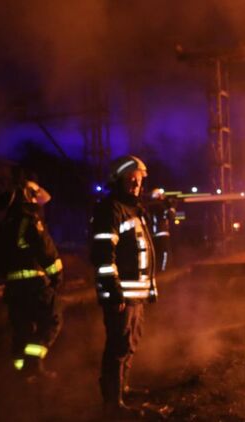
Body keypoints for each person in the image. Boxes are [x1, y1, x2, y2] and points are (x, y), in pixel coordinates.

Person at [91, 155, 158, 418]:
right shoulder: (111, 210)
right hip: (122, 295)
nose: (136, 185)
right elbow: (103, 254)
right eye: (131, 180)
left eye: (139, 180)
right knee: (118, 347)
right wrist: (113, 289)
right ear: (118, 180)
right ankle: (112, 403)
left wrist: (150, 288)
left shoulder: (133, 210)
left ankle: (122, 389)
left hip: (134, 294)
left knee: (129, 343)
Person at [0, 180, 63, 382]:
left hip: (13, 289)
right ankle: (33, 365)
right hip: (36, 287)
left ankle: (19, 373)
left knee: (22, 329)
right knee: (52, 320)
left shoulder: (4, 225)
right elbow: (46, 251)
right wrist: (57, 277)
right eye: (35, 198)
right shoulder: (30, 221)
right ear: (28, 197)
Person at [146, 188, 176, 272]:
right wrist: (172, 207)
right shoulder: (161, 206)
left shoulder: (149, 206)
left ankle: (155, 270)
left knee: (155, 254)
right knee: (164, 253)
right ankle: (163, 271)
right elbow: (171, 216)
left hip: (152, 235)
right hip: (162, 233)